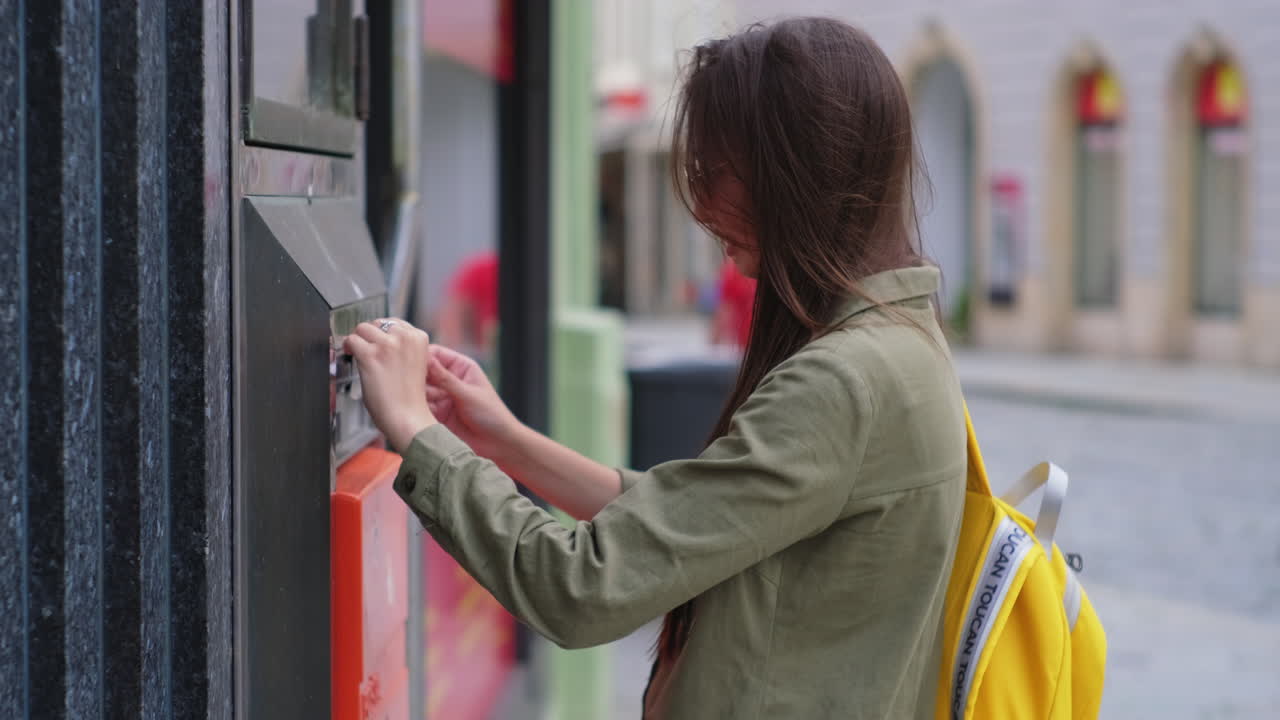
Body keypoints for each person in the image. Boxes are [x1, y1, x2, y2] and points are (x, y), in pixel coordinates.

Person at [345, 18, 966, 719]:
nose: (701, 205)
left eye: (715, 169)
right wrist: (502, 440)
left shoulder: (846, 381)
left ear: (796, 169)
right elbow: (692, 521)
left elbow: (580, 587)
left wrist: (416, 433)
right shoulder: (903, 342)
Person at [710, 257, 756, 349]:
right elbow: (725, 308)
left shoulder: (734, 269)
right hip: (748, 341)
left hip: (753, 341)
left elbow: (725, 309)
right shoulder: (733, 270)